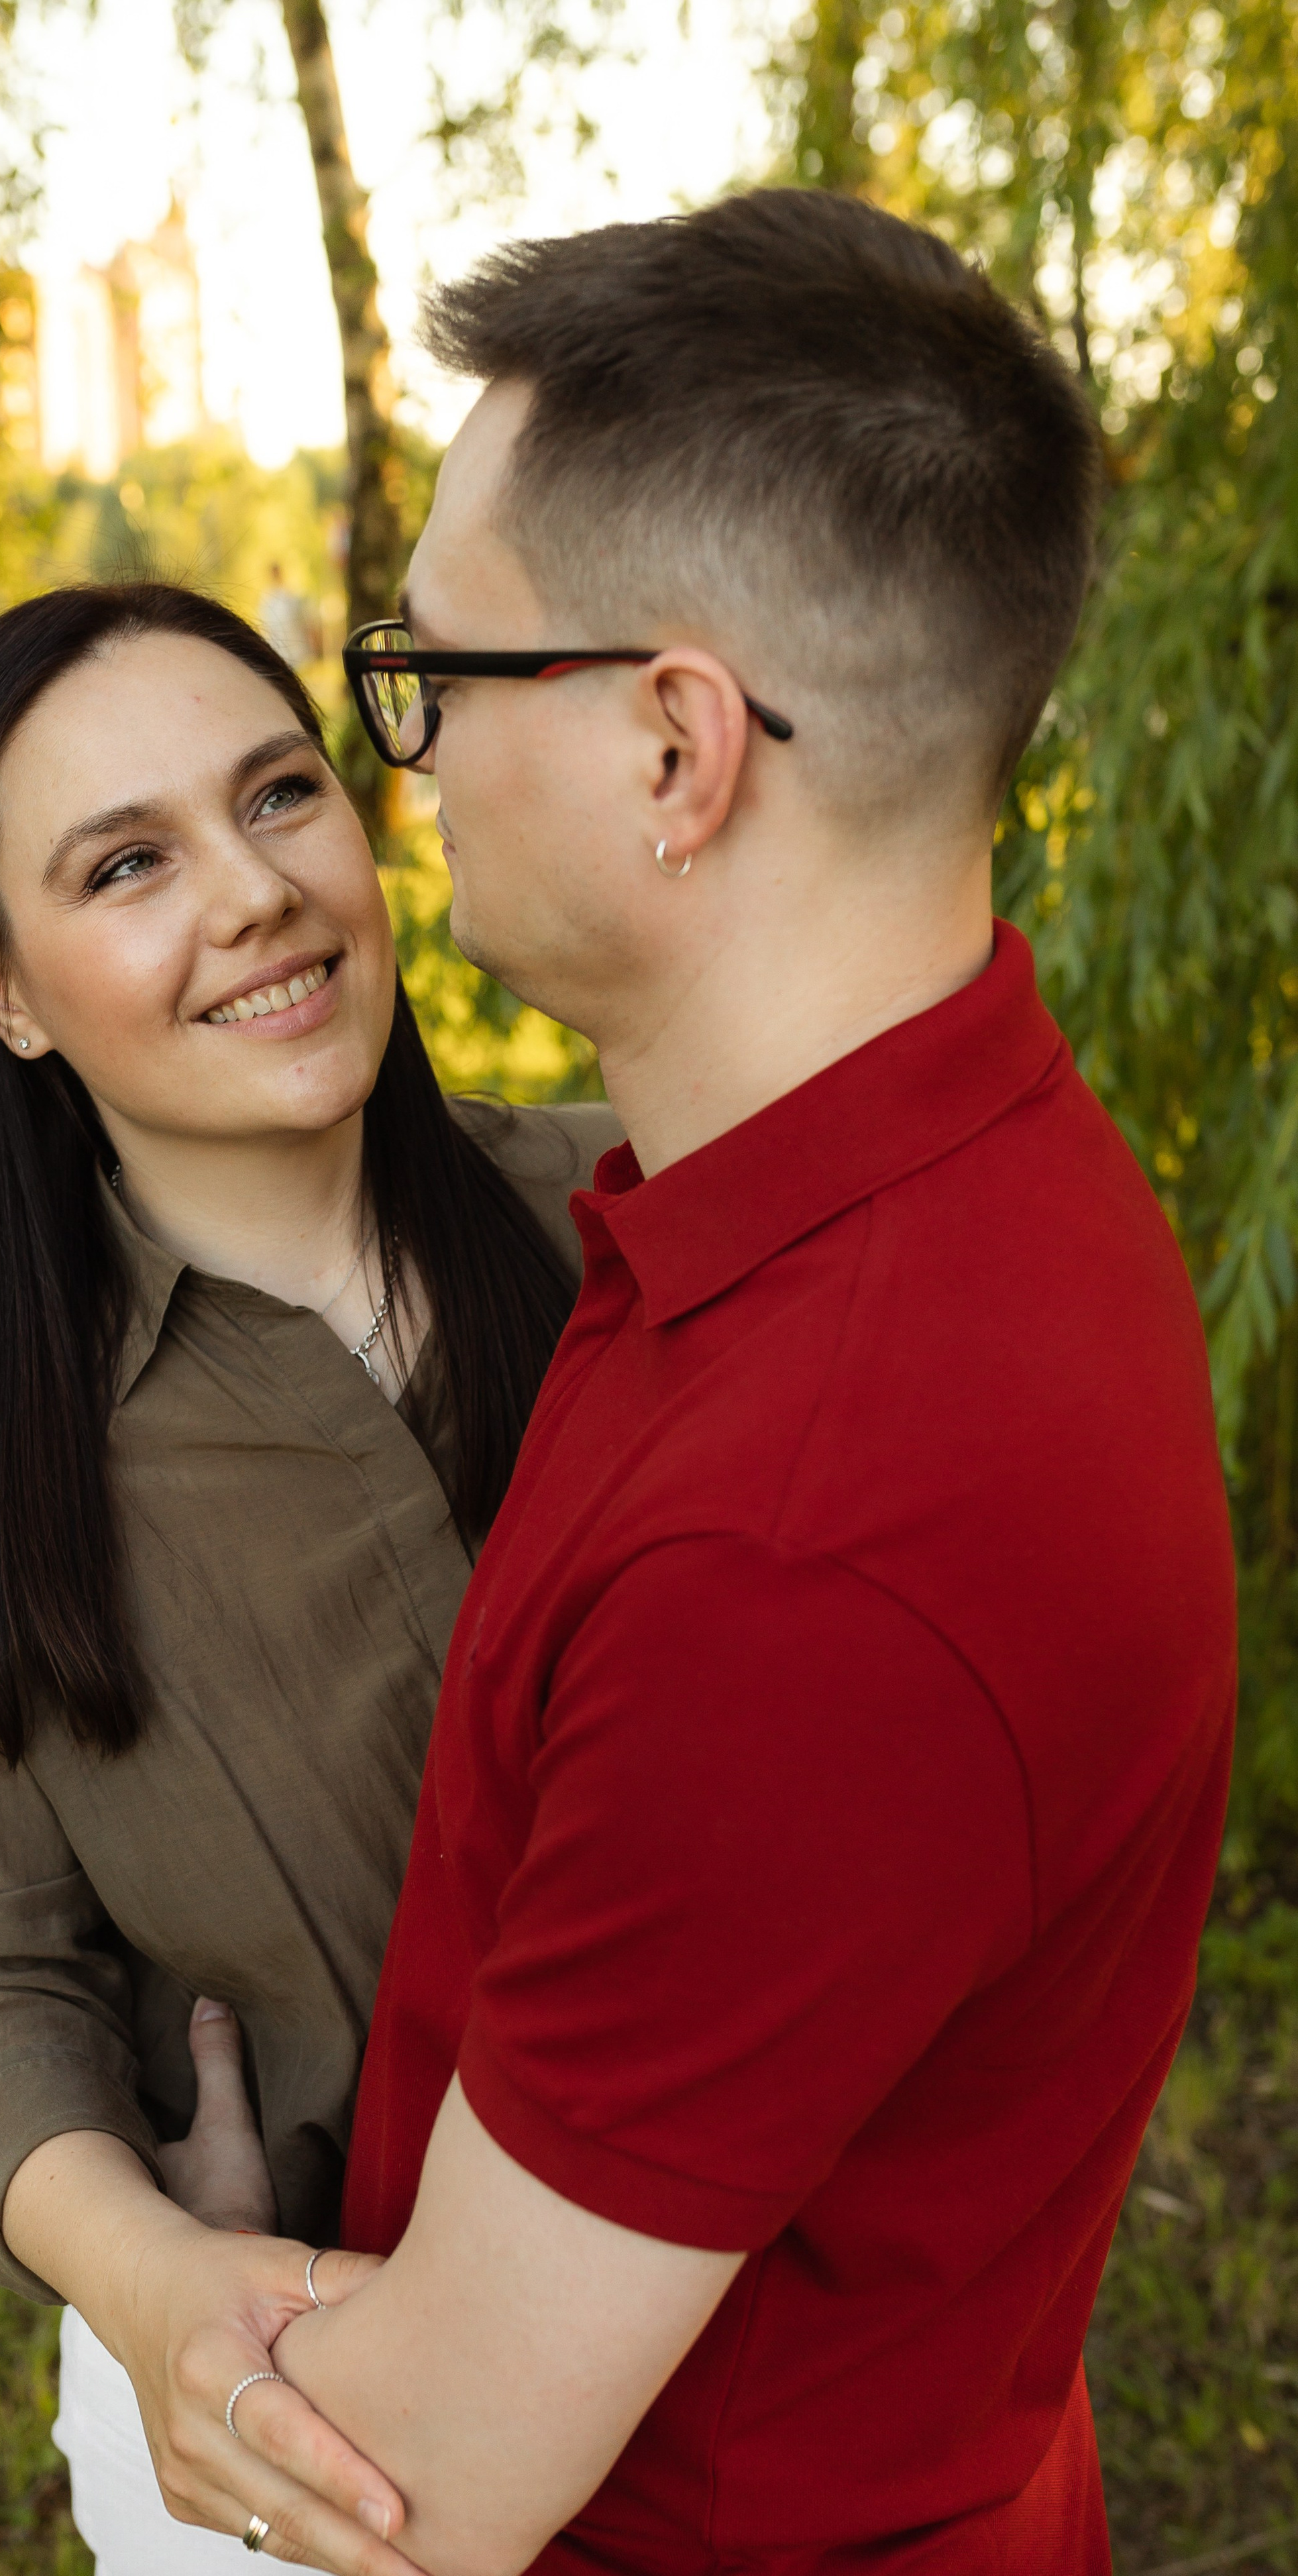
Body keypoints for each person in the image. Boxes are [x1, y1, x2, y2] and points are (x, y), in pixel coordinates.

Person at [99, 190, 1238, 2575]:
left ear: (672, 744)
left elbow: (425, 2483)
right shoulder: (944, 1168)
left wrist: (176, 2305)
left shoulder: (812, 1542)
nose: (399, 764)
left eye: (433, 677)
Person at [0, 579, 618, 2576]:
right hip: (301, 2414)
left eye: (279, 796)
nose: (251, 892)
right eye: (131, 862)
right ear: (0, 989)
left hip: (770, 2329)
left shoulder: (634, 1223)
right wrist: (154, 2275)